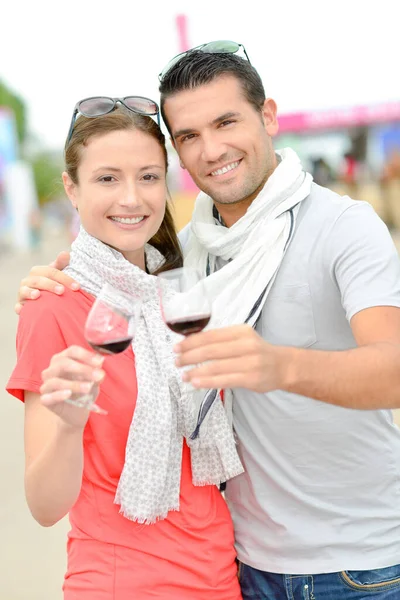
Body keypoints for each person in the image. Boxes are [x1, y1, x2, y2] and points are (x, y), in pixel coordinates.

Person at [15, 45, 400, 599]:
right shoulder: (176, 265)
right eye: (189, 136)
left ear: (267, 116)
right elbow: (46, 498)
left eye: (226, 121)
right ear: (71, 188)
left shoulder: (339, 228)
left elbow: (391, 370)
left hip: (352, 567)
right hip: (233, 564)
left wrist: (278, 365)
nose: (212, 148)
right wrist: (58, 284)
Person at [7, 97, 244, 600]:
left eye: (148, 176)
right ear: (72, 187)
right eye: (107, 178)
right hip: (120, 580)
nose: (132, 198)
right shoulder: (54, 305)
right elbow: (45, 506)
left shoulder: (180, 293)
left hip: (220, 574)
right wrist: (70, 425)